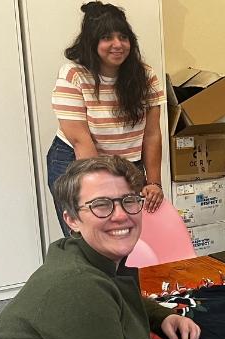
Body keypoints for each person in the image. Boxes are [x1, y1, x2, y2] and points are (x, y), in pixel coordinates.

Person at [0, 156, 200, 339]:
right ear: (72, 219)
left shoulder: (82, 258)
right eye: (101, 205)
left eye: (129, 201)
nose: (121, 215)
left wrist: (161, 315)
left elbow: (116, 295)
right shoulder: (77, 287)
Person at [47, 1, 166, 237]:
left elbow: (152, 134)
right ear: (92, 43)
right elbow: (81, 142)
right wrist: (102, 192)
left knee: (129, 238)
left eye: (123, 37)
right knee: (87, 237)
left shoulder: (145, 76)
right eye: (106, 38)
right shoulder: (74, 75)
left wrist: (153, 183)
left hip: (128, 163)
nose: (117, 45)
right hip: (77, 161)